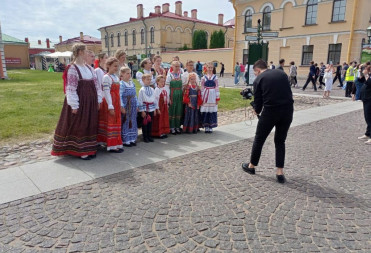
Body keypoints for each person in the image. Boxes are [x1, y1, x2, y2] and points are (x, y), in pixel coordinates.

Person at [242, 59, 294, 184]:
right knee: (280, 141)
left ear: (258, 70)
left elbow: (258, 108)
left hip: (270, 112)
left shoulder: (258, 79)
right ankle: (280, 172)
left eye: (255, 73)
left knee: (259, 139)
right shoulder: (281, 73)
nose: (255, 75)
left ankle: (251, 166)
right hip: (287, 111)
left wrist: (253, 104)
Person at [51, 43, 102, 160]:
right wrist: (74, 105)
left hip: (91, 101)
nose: (88, 53)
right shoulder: (73, 68)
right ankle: (80, 150)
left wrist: (98, 99)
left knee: (90, 123)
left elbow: (96, 86)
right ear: (80, 52)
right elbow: (71, 88)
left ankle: (89, 148)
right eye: (86, 51)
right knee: (80, 124)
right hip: (81, 101)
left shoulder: (89, 68)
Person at [97, 57, 124, 153]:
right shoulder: (106, 77)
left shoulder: (116, 77)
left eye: (117, 66)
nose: (116, 68)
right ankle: (111, 145)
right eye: (114, 66)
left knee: (116, 121)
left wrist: (120, 104)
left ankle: (115, 143)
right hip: (110, 102)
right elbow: (107, 92)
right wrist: (110, 106)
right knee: (111, 121)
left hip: (116, 101)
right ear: (108, 66)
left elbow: (118, 92)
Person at [119, 67, 138, 147]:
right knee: (126, 121)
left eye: (130, 73)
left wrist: (137, 105)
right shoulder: (122, 84)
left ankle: (132, 138)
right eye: (127, 73)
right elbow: (119, 96)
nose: (129, 75)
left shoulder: (132, 83)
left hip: (133, 106)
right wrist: (122, 106)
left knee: (133, 121)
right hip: (126, 105)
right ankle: (126, 140)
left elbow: (135, 95)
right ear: (122, 75)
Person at [138, 74, 159, 143]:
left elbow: (155, 99)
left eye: (150, 80)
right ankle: (145, 137)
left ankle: (149, 136)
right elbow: (140, 100)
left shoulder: (152, 89)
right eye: (147, 79)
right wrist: (142, 111)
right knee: (145, 124)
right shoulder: (142, 90)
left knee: (150, 123)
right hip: (145, 109)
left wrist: (155, 108)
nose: (149, 81)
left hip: (151, 108)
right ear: (143, 80)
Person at [166, 61, 186, 134]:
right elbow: (167, 87)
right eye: (176, 66)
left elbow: (183, 87)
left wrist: (184, 95)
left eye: (178, 66)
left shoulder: (181, 76)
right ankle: (172, 127)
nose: (177, 68)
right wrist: (168, 98)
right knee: (172, 110)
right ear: (172, 67)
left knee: (178, 110)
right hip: (172, 94)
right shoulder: (169, 76)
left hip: (179, 95)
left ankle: (177, 126)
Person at [201, 62, 220, 133]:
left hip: (212, 94)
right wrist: (202, 96)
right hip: (206, 95)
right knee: (206, 110)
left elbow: (217, 87)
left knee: (212, 110)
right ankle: (206, 125)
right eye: (209, 67)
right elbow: (202, 87)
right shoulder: (203, 77)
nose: (210, 69)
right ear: (206, 68)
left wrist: (217, 97)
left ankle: (211, 125)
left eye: (211, 68)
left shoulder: (215, 77)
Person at [358, 65, 371, 145]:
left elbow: (369, 83)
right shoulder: (367, 76)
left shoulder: (369, 77)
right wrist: (361, 73)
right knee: (367, 117)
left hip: (370, 99)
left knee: (369, 118)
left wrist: (366, 75)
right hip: (366, 99)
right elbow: (359, 80)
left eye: (365, 69)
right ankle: (367, 133)